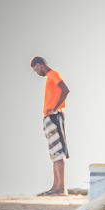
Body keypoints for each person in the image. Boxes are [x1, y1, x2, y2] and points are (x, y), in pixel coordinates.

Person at [31, 56, 70, 196]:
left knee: (58, 152)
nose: (37, 72)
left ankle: (61, 188)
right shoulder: (49, 78)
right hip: (49, 118)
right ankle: (55, 186)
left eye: (36, 69)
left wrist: (54, 108)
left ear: (40, 65)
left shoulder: (53, 74)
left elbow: (65, 90)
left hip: (54, 116)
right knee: (54, 153)